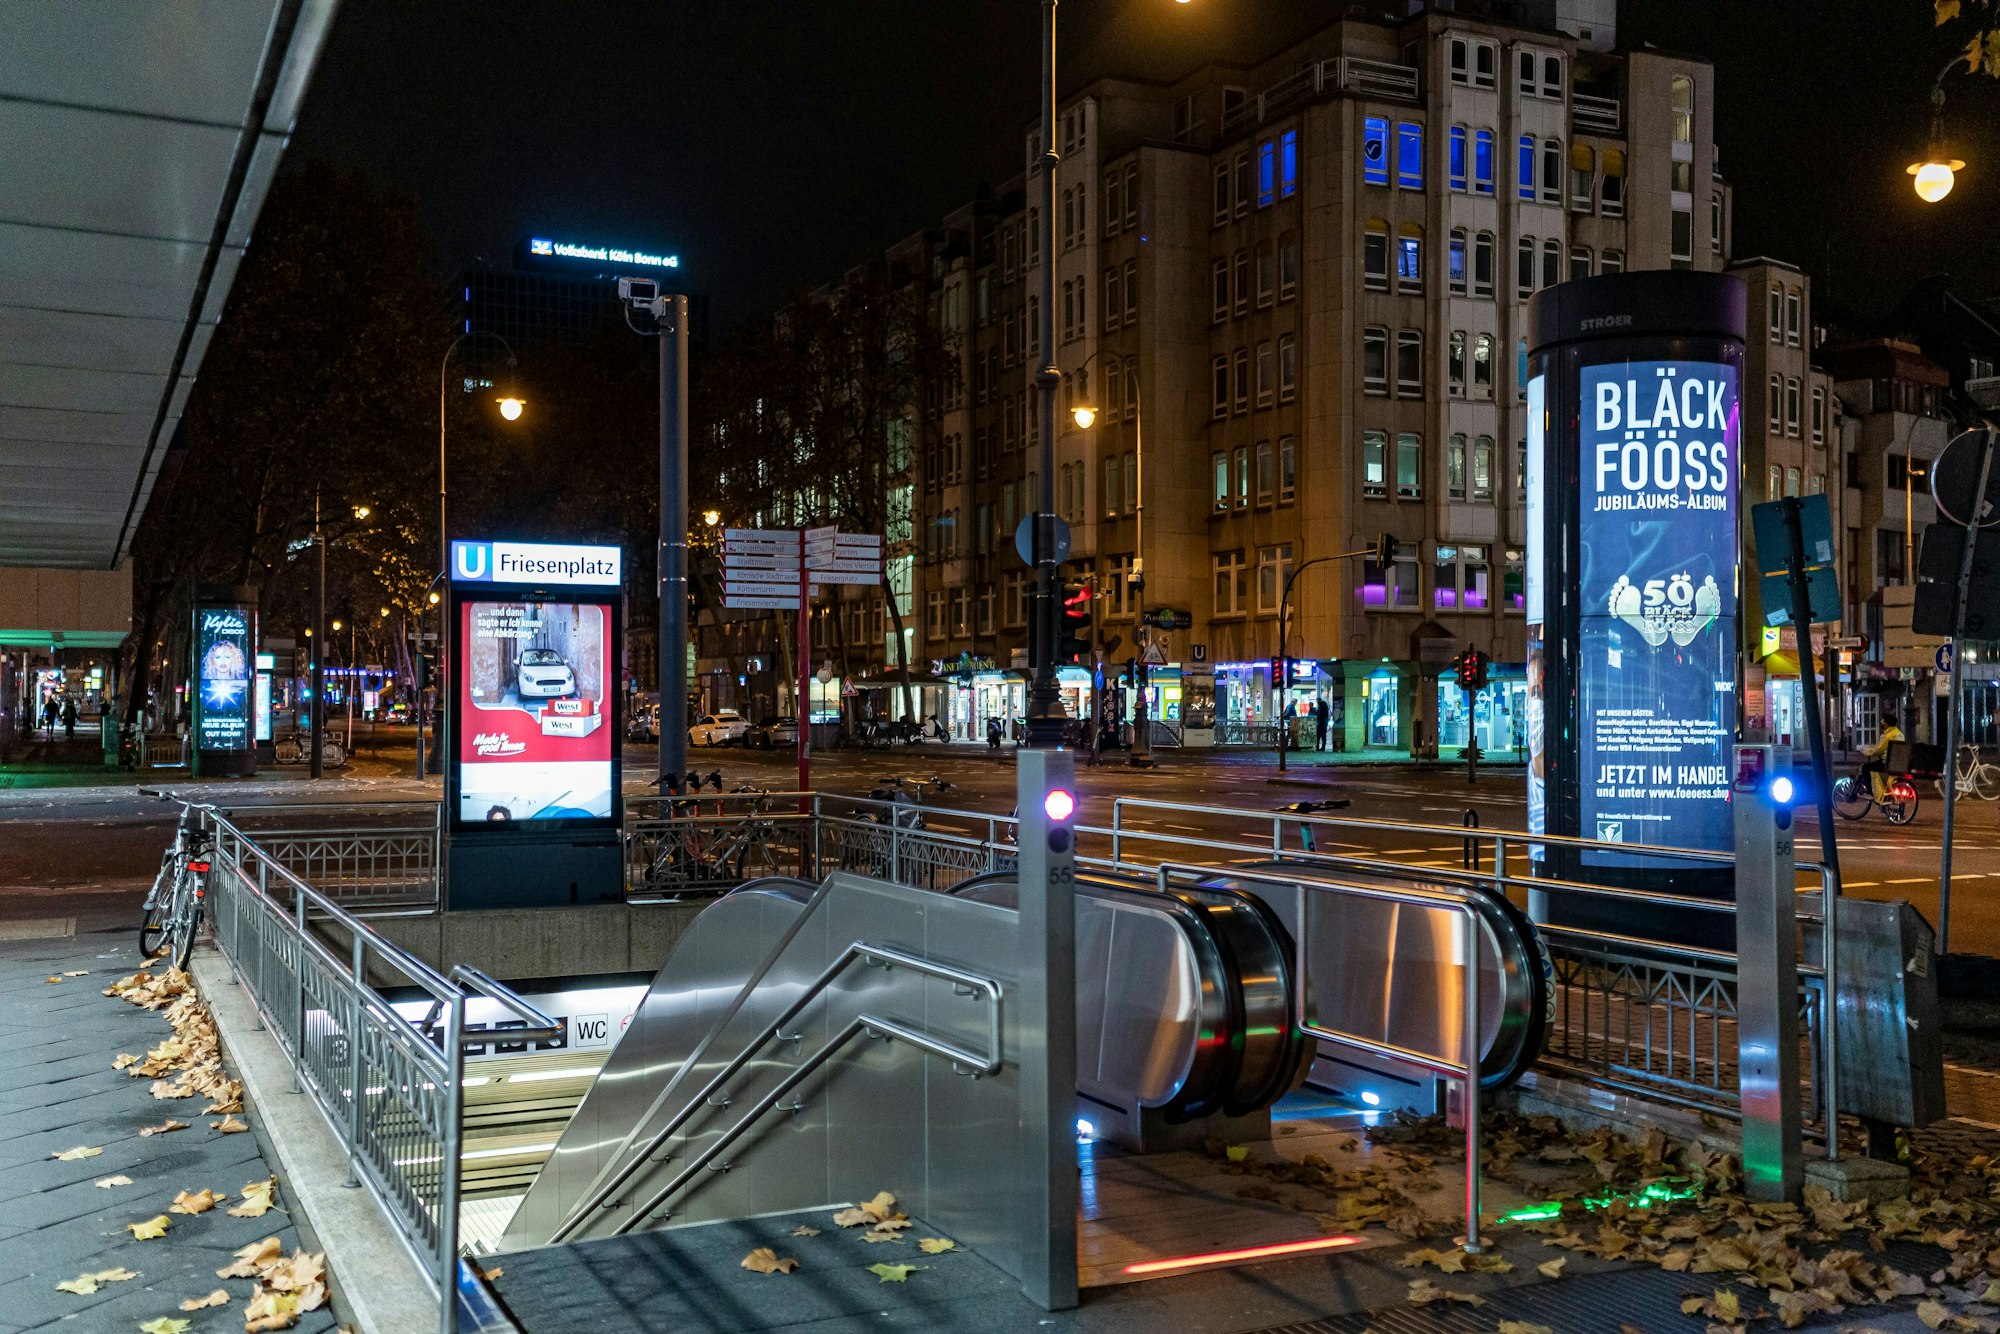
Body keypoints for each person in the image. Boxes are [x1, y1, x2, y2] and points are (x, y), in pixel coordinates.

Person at [1859, 711, 1905, 801]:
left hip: (1887, 763)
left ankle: (1869, 792)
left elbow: (1879, 750)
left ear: (1887, 723)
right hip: (1898, 763)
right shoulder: (1900, 734)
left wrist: (1866, 752)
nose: (1881, 723)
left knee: (1865, 767)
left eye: (1883, 721)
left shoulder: (1888, 735)